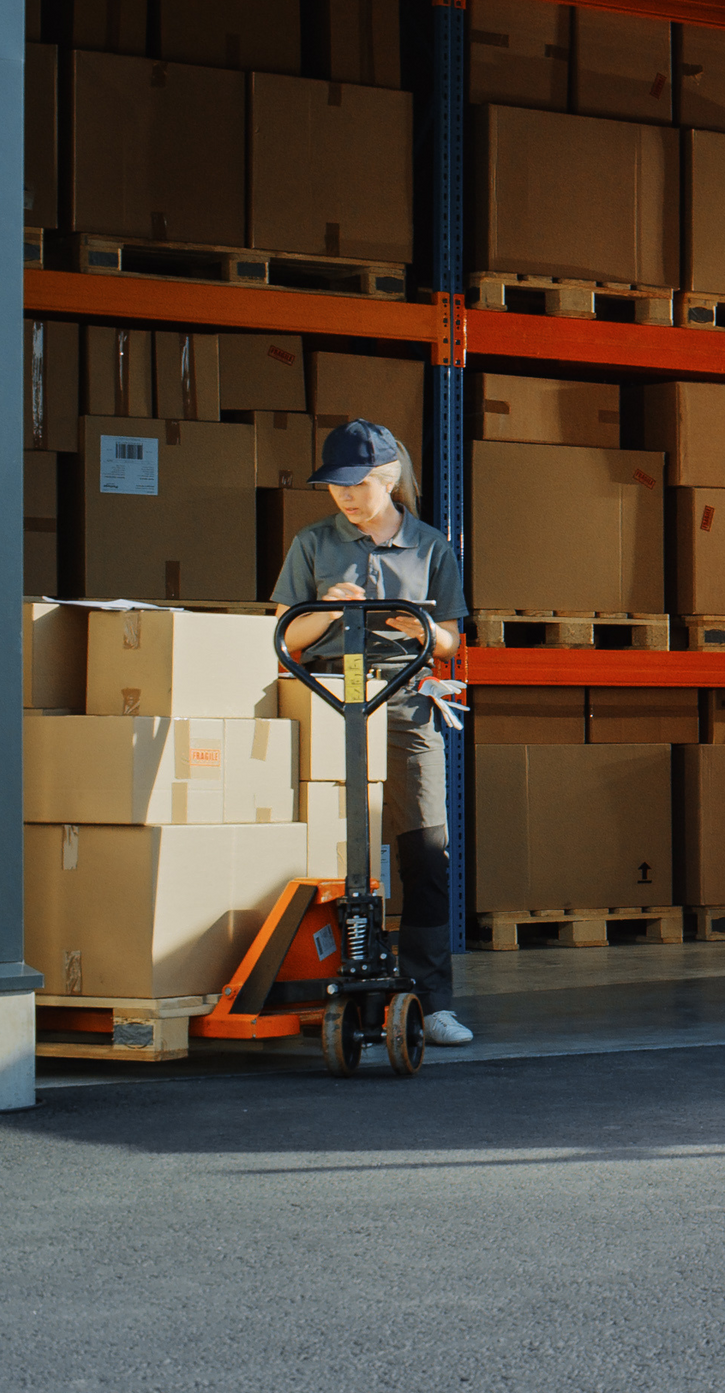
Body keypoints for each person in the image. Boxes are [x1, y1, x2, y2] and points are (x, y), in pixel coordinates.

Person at [273, 418, 476, 1049]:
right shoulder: (312, 543)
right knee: (333, 853)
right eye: (336, 488)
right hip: (327, 697)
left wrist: (420, 630)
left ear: (389, 478)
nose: (346, 498)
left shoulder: (430, 546)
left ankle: (431, 999)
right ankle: (322, 985)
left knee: (426, 853)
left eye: (357, 485)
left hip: (404, 700)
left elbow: (452, 643)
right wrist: (325, 608)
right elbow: (283, 639)